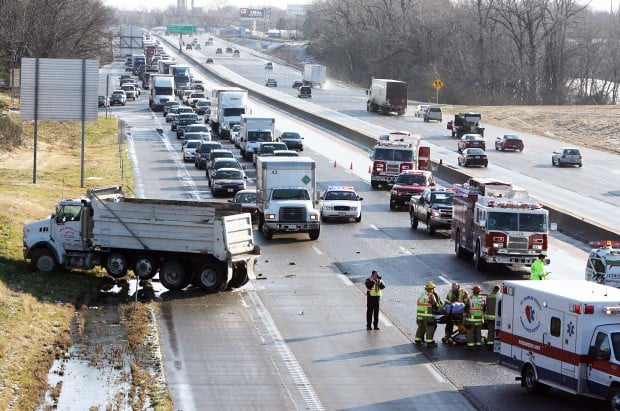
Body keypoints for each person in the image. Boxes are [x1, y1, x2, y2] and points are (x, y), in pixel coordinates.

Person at [415, 282, 441, 347]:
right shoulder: (430, 295)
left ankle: (418, 340)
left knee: (421, 327)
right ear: (431, 289)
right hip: (427, 316)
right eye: (433, 288)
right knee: (430, 328)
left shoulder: (422, 294)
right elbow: (435, 304)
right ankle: (429, 342)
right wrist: (438, 308)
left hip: (419, 315)